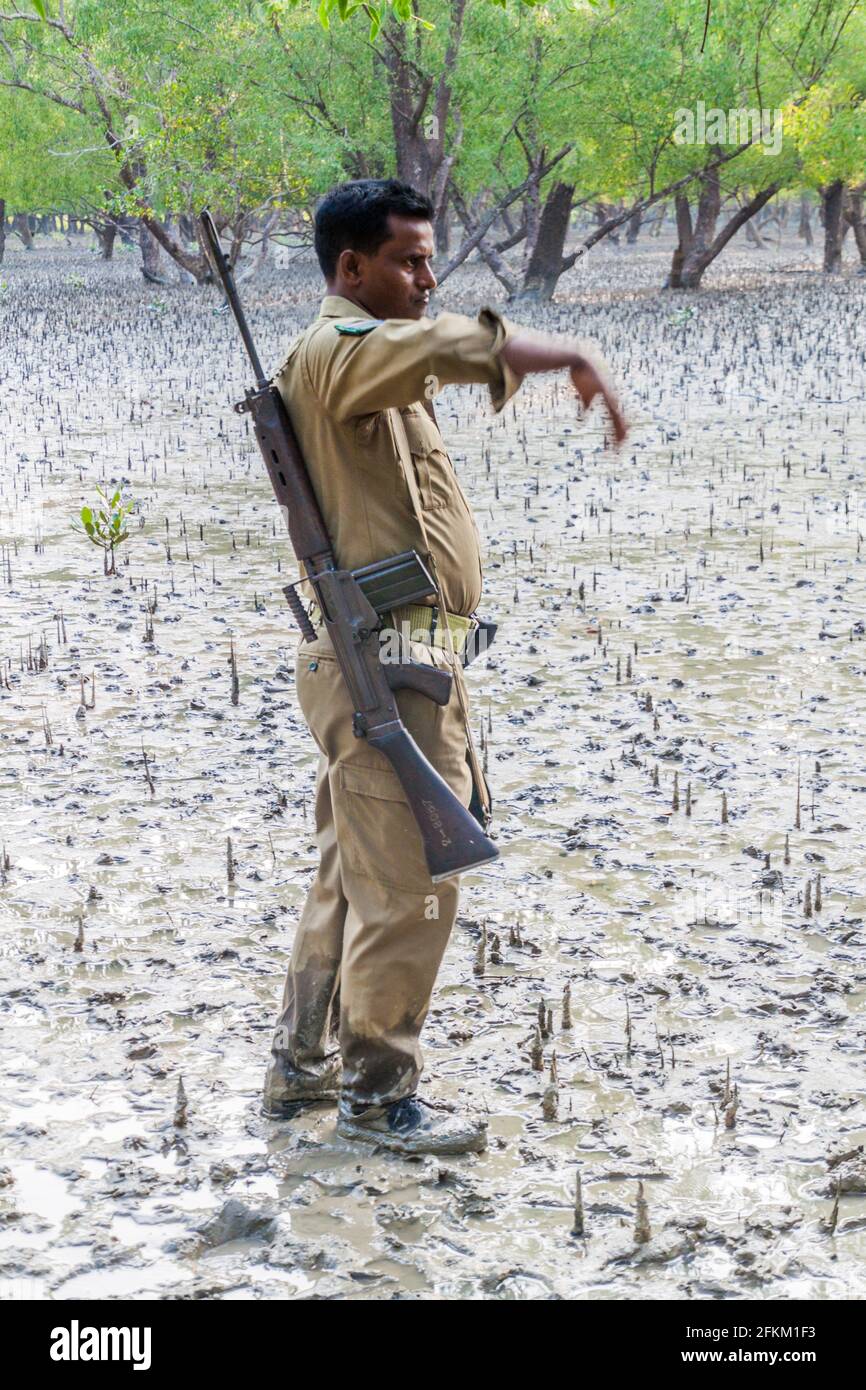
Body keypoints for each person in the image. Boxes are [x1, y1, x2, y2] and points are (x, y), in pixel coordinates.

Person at [263, 179, 627, 1155]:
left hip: (400, 659)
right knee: (412, 887)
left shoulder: (357, 363)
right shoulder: (342, 351)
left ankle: (300, 1069)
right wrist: (567, 352)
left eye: (431, 258)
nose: (428, 278)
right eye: (409, 260)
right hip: (382, 666)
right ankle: (378, 1100)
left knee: (352, 876)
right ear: (351, 268)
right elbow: (431, 346)